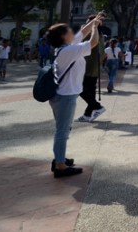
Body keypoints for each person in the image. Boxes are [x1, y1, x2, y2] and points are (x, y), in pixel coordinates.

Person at [46, 12, 104, 178]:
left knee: (63, 129)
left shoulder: (65, 48)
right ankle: (60, 166)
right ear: (64, 36)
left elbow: (81, 34)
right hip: (66, 96)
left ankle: (60, 158)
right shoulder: (69, 51)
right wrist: (95, 27)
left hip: (62, 95)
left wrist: (93, 21)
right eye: (68, 31)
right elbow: (93, 42)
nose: (73, 32)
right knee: (62, 131)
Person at [77, 15, 106, 122]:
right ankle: (88, 114)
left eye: (89, 23)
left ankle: (97, 106)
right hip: (94, 68)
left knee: (80, 89)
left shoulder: (93, 35)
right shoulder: (101, 35)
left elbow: (79, 45)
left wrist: (82, 33)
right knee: (91, 91)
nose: (87, 24)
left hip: (88, 67)